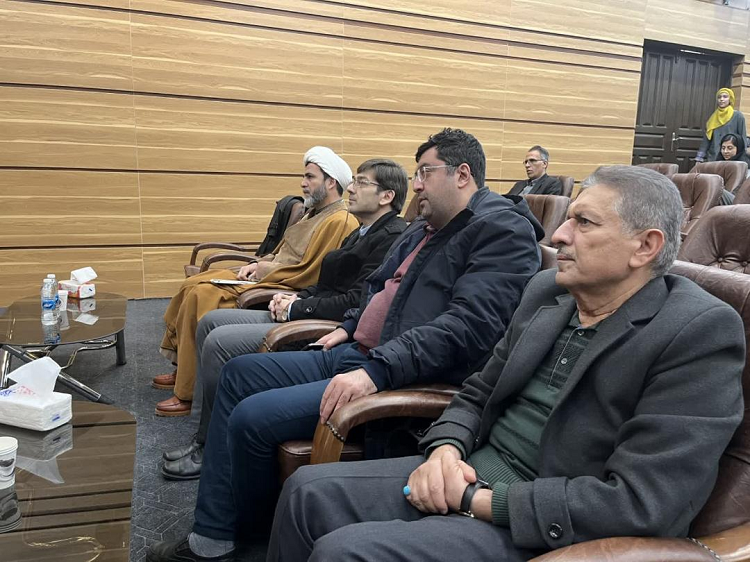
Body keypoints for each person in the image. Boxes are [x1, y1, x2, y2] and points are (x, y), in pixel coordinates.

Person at [268, 165, 746, 562]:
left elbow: (642, 503)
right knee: (307, 492)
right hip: (469, 471)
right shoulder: (547, 293)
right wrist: (445, 451)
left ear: (645, 246)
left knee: (345, 552)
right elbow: (477, 391)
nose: (559, 235)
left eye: (584, 222)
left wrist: (477, 501)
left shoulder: (698, 331)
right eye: (568, 218)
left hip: (548, 526)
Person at [146, 128, 545, 562]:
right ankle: (229, 525)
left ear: (462, 174)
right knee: (238, 372)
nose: (416, 185)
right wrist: (351, 325)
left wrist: (376, 370)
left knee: (252, 415)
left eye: (424, 173)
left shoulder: (501, 231)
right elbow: (377, 287)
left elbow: (469, 327)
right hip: (357, 351)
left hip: (398, 373)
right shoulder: (426, 227)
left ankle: (229, 541)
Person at [160, 158, 409, 480]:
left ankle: (209, 446)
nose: (351, 188)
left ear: (387, 196)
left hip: (326, 327)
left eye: (361, 182)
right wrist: (296, 298)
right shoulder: (362, 231)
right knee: (211, 321)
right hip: (310, 309)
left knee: (220, 341)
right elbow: (326, 282)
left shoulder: (391, 236)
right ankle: (202, 437)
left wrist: (298, 309)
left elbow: (356, 301)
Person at [153, 147, 360, 416]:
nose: (303, 183)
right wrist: (257, 264)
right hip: (270, 272)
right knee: (191, 285)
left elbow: (312, 271)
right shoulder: (312, 213)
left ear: (331, 182)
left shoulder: (340, 220)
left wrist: (265, 270)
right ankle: (184, 367)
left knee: (201, 295)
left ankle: (188, 392)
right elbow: (281, 251)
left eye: (310, 177)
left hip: (284, 284)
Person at [696, 87, 747, 162]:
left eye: (725, 97)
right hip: (713, 157)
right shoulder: (713, 118)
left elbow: (742, 138)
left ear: (730, 99)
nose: (721, 99)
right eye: (719, 97)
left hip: (731, 158)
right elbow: (706, 140)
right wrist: (699, 158)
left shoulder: (737, 116)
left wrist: (743, 158)